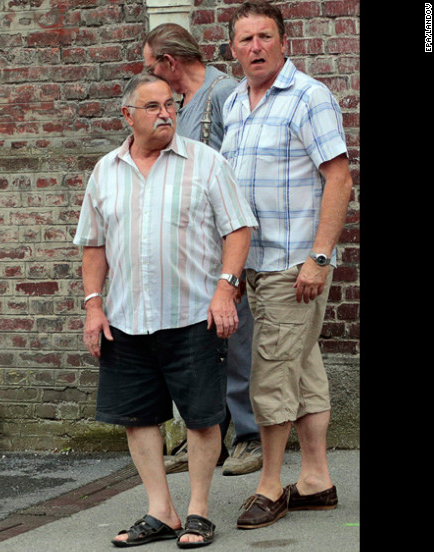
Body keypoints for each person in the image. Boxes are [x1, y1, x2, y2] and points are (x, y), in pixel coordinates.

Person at [74, 73, 256, 548]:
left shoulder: (206, 163)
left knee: (201, 417)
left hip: (194, 314)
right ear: (127, 115)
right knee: (138, 417)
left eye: (171, 104)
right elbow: (93, 245)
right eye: (152, 106)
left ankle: (197, 510)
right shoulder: (105, 172)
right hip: (126, 318)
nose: (165, 113)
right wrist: (94, 306)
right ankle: (161, 511)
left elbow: (238, 229)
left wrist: (226, 289)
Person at [219, 1, 352, 530]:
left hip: (292, 265)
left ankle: (270, 486)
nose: (255, 47)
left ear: (284, 41)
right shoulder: (234, 103)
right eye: (245, 39)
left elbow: (339, 179)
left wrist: (318, 258)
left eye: (265, 37)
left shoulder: (308, 97)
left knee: (271, 372)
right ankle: (316, 479)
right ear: (232, 49)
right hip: (253, 262)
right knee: (303, 367)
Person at [142, 22, 263, 478]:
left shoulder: (224, 93)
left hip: (226, 241)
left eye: (152, 65)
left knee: (239, 341)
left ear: (170, 62)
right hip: (195, 247)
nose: (151, 74)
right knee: (206, 344)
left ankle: (250, 437)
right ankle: (212, 437)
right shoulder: (183, 103)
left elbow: (237, 170)